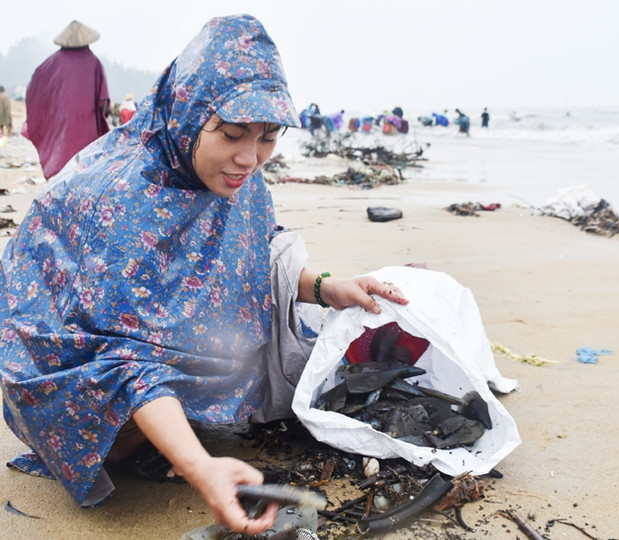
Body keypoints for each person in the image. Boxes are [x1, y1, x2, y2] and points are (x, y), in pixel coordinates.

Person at [0, 15, 408, 536]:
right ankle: (154, 434)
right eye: (232, 134)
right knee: (122, 436)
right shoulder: (119, 199)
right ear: (190, 115)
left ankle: (174, 423)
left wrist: (327, 287)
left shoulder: (240, 177)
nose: (248, 158)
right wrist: (200, 466)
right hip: (61, 365)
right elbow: (118, 359)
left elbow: (255, 258)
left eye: (267, 137)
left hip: (151, 344)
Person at [24, 20, 110, 179]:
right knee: (85, 165)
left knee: (62, 163)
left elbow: (35, 90)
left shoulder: (50, 64)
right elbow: (103, 101)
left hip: (60, 124)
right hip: (87, 126)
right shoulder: (94, 63)